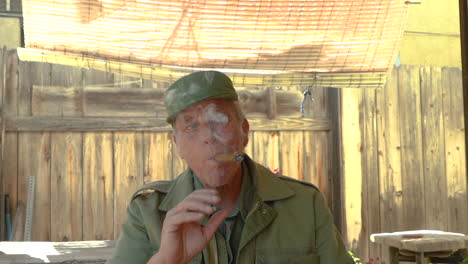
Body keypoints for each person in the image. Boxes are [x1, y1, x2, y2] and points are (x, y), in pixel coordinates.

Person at [108, 71, 354, 264]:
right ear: (178, 145)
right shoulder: (149, 211)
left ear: (244, 132)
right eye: (191, 126)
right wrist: (166, 261)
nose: (209, 137)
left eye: (219, 119)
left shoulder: (303, 205)